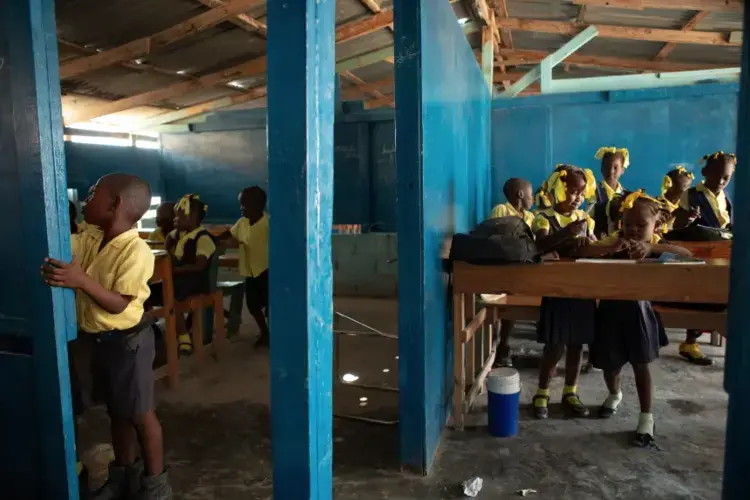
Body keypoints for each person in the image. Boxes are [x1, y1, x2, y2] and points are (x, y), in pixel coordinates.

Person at [42, 174, 172, 499]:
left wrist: (81, 281)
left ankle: (156, 486)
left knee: (141, 415)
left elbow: (119, 303)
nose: (86, 199)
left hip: (130, 342)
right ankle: (123, 476)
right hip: (101, 342)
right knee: (118, 412)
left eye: (92, 193)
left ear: (114, 205)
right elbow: (64, 249)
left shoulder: (136, 250)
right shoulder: (90, 238)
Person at [590, 191, 692, 447]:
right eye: (628, 224)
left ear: (655, 226)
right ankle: (615, 394)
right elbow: (586, 251)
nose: (633, 230)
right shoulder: (615, 242)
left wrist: (652, 247)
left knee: (641, 365)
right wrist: (609, 249)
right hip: (611, 313)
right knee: (609, 365)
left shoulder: (657, 248)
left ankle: (646, 417)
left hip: (640, 313)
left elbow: (686, 255)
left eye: (641, 225)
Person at [531, 165, 610, 419]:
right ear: (556, 190)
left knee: (577, 346)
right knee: (555, 347)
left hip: (582, 290)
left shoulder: (586, 220)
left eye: (580, 192)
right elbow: (540, 244)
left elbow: (595, 248)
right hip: (557, 290)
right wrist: (567, 232)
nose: (576, 197)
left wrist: (593, 242)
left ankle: (570, 392)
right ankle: (542, 393)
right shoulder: (544, 217)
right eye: (571, 191)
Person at [673, 151, 736, 365]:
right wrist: (687, 219)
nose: (720, 181)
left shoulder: (725, 198)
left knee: (717, 295)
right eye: (716, 175)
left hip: (721, 253)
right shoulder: (691, 194)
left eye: (725, 178)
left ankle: (717, 332)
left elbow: (727, 226)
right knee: (699, 295)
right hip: (699, 254)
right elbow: (678, 226)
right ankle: (690, 342)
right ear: (704, 172)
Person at [486, 178, 535, 366]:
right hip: (502, 268)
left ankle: (504, 346)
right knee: (509, 297)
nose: (533, 199)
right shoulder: (502, 210)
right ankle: (501, 347)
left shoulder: (530, 217)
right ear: (521, 195)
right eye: (530, 195)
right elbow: (496, 238)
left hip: (521, 268)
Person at [163, 194, 217, 354]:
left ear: (192, 217)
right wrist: (170, 239)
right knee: (152, 291)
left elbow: (199, 265)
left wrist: (176, 270)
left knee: (170, 295)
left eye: (179, 216)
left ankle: (184, 337)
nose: (175, 220)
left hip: (196, 281)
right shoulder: (179, 235)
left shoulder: (203, 238)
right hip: (180, 278)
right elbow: (168, 244)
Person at [218, 186, 270, 347]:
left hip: (268, 270)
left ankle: (275, 334)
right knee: (253, 305)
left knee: (271, 304)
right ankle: (265, 332)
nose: (241, 208)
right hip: (251, 271)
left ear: (257, 205)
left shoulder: (269, 223)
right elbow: (230, 233)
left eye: (244, 205)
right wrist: (216, 238)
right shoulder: (242, 223)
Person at [592, 147, 630, 238]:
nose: (611, 171)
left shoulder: (627, 196)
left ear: (622, 170)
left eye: (615, 167)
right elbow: (588, 217)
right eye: (606, 167)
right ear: (601, 169)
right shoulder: (594, 191)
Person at [658, 166, 696, 231]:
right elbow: (657, 228)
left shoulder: (685, 205)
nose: (689, 191)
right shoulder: (657, 205)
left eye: (689, 187)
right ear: (670, 186)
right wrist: (675, 213)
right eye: (685, 187)